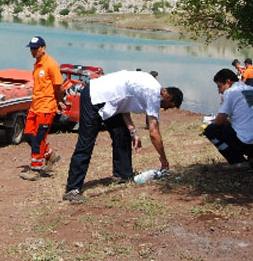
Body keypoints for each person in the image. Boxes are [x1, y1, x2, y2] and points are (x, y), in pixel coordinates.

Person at [63, 70, 183, 202]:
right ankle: (73, 189)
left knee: (122, 134)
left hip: (110, 102)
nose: (165, 109)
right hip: (95, 96)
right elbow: (153, 132)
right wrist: (163, 158)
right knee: (86, 142)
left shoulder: (151, 84)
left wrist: (133, 131)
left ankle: (123, 175)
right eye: (169, 106)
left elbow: (123, 104)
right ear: (167, 95)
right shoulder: (153, 94)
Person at [204, 69, 253, 169]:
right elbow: (249, 118)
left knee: (211, 130)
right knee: (246, 129)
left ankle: (237, 161)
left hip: (250, 144)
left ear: (228, 82)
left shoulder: (231, 92)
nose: (219, 91)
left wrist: (212, 121)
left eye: (220, 86)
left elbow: (219, 122)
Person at [20, 36, 63, 181]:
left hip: (46, 107)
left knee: (39, 138)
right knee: (28, 135)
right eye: (31, 48)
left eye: (35, 48)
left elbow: (58, 86)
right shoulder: (37, 64)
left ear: (43, 48)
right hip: (35, 106)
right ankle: (50, 155)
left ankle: (35, 170)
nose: (32, 51)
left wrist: (57, 102)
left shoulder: (51, 64)